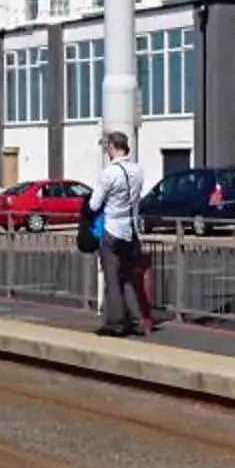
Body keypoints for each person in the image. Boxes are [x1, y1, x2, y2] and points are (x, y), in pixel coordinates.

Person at [86, 130, 153, 337]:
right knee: (129, 277)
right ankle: (135, 319)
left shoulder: (109, 173)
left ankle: (115, 323)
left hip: (112, 230)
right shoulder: (137, 171)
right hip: (130, 231)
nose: (107, 151)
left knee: (112, 279)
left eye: (108, 148)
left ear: (114, 148)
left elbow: (94, 203)